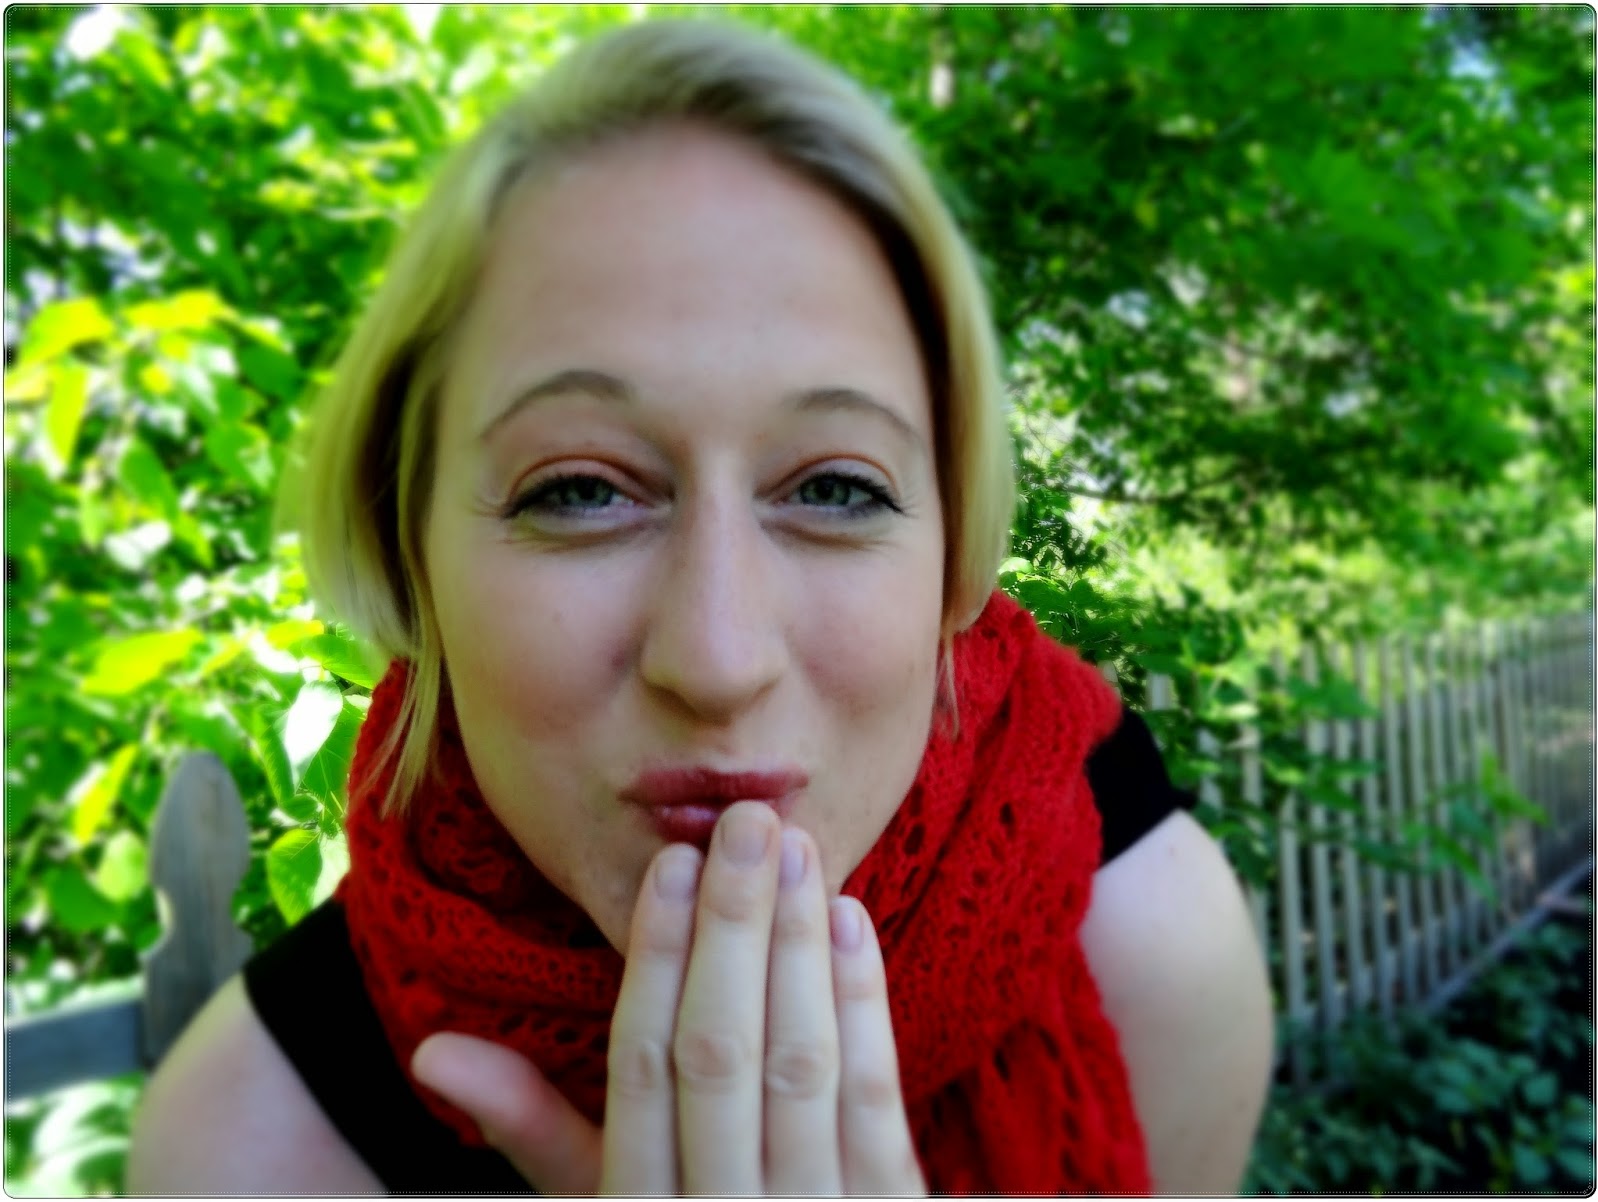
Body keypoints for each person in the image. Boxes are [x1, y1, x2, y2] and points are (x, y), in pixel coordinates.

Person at [128, 18, 1273, 1195]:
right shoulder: (246, 1153)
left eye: (835, 487)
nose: (718, 659)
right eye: (577, 489)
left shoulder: (1147, 946)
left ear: (952, 558)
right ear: (404, 547)